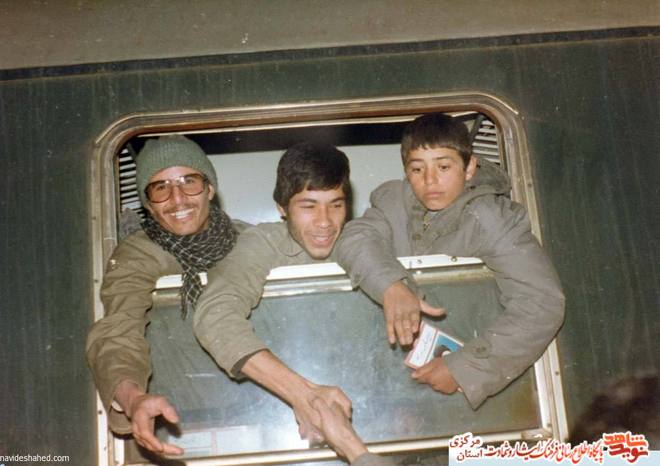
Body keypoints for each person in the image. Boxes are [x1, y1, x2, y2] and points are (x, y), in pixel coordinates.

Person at [335, 113, 565, 408]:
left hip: (471, 383)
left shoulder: (492, 220)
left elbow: (542, 304)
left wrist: (463, 368)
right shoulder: (394, 203)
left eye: (443, 167)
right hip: (398, 380)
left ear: (469, 168)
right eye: (417, 169)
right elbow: (354, 238)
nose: (430, 180)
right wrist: (391, 286)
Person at [86, 135, 242, 455]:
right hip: (176, 422)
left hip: (262, 410)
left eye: (189, 182)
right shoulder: (137, 254)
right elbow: (119, 329)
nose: (178, 199)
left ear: (210, 188)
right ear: (148, 204)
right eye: (161, 188)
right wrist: (133, 398)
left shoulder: (247, 240)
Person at [195, 142, 353, 444]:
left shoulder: (361, 241)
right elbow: (216, 316)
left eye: (336, 205)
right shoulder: (262, 243)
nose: (324, 221)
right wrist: (303, 395)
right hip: (277, 419)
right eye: (308, 206)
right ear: (282, 208)